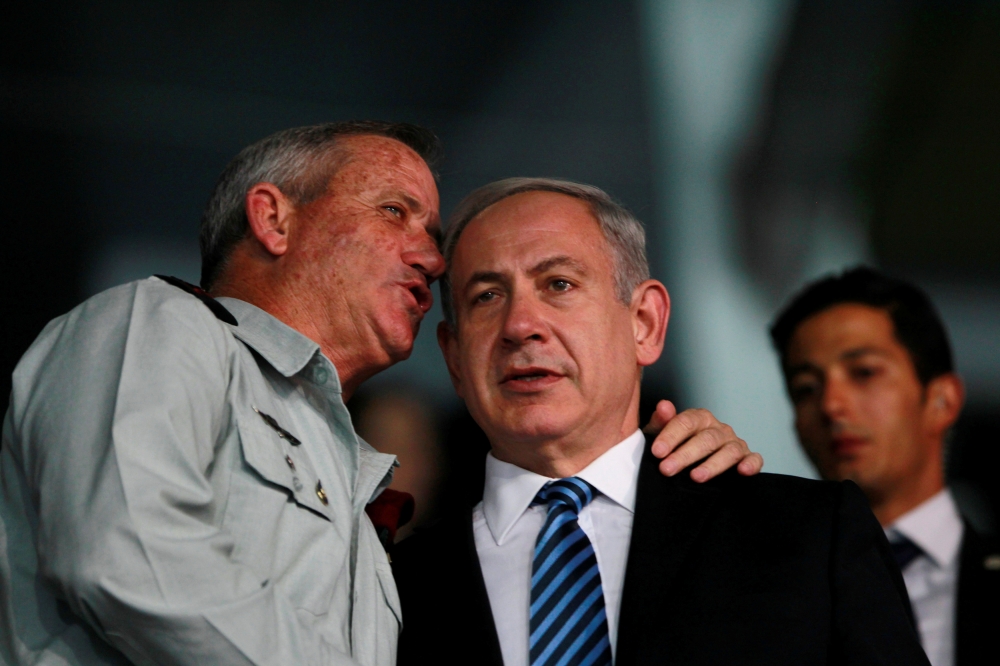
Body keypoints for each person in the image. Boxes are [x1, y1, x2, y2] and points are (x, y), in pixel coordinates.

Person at [0, 122, 761, 666]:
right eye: (395, 212)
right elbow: (125, 556)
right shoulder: (159, 324)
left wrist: (655, 483)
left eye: (431, 232)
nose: (432, 258)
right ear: (273, 218)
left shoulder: (367, 490)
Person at [392, 177, 929, 666]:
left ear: (645, 323)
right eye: (487, 296)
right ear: (455, 358)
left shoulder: (809, 535)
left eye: (558, 284)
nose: (521, 325)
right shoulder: (394, 584)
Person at [769, 267, 1000, 666]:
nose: (830, 405)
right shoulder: (768, 593)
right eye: (806, 389)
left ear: (942, 400)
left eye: (864, 372)